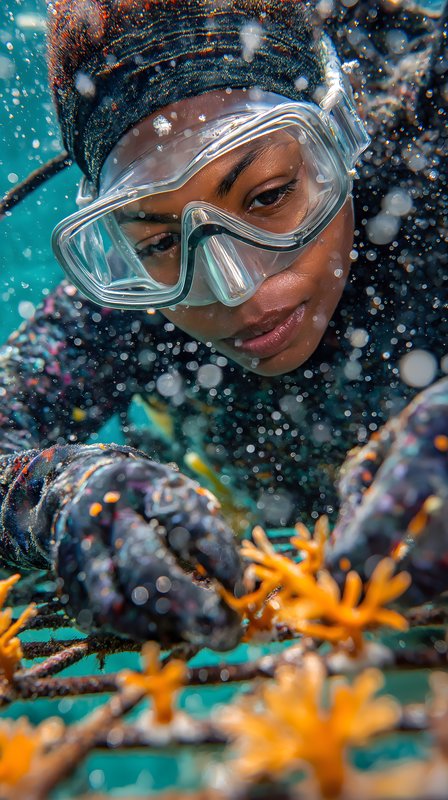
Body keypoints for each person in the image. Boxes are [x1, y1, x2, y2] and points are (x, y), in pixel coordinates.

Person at [0, 0, 446, 648]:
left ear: (342, 131)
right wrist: (61, 494)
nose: (238, 287)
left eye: (268, 195)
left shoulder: (426, 147)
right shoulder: (134, 307)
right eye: (158, 242)